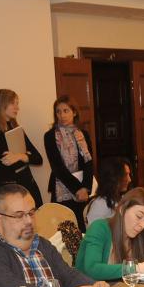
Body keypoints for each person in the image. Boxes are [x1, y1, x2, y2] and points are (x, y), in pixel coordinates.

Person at [75, 187, 144, 281]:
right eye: (139, 216)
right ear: (122, 209)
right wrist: (136, 268)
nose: (143, 225)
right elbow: (92, 269)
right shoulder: (99, 228)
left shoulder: (140, 236)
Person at [0, 89, 44, 207]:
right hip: (9, 191)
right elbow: (7, 162)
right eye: (13, 103)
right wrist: (26, 156)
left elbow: (38, 159)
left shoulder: (15, 128)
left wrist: (20, 156)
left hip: (29, 187)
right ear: (1, 104)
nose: (17, 108)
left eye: (17, 103)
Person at [43, 96, 93, 231]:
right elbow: (57, 167)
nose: (62, 115)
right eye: (58, 112)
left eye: (66, 111)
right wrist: (77, 189)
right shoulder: (49, 136)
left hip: (83, 191)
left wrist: (85, 188)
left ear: (74, 112)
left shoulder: (83, 134)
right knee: (64, 231)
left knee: (83, 228)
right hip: (62, 188)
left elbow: (89, 162)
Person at [84, 157, 132, 227]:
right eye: (125, 175)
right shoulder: (100, 204)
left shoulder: (122, 199)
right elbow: (94, 231)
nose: (129, 179)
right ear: (114, 178)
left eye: (129, 175)